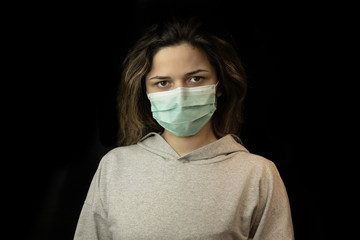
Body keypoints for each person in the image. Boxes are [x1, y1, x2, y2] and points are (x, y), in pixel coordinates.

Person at [74, 17, 294, 240]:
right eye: (163, 83)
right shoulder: (115, 167)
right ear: (145, 91)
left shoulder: (257, 174)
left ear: (219, 85)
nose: (180, 94)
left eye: (195, 78)